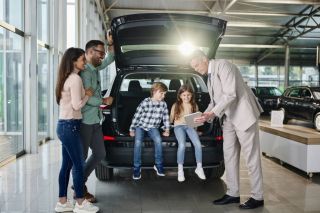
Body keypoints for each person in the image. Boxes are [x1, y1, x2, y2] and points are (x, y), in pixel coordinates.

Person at [190, 50, 264, 209]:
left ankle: (258, 197)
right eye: (193, 67)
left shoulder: (224, 66)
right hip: (228, 118)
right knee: (229, 155)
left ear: (204, 59)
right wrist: (205, 115)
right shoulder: (209, 77)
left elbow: (230, 95)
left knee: (251, 157)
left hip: (244, 115)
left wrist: (213, 112)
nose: (196, 69)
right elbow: (214, 100)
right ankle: (233, 193)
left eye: (196, 65)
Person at [55, 47, 99, 213]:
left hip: (65, 125)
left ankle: (62, 202)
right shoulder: (75, 79)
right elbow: (76, 105)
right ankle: (80, 203)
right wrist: (87, 94)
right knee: (79, 164)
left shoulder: (67, 77)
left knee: (66, 165)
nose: (85, 62)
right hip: (70, 126)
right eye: (82, 60)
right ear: (74, 62)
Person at [79, 32, 114, 202]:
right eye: (100, 53)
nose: (102, 56)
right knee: (81, 157)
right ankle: (80, 190)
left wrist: (110, 44)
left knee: (100, 153)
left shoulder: (94, 67)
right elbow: (85, 99)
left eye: (103, 53)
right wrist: (104, 100)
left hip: (96, 121)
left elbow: (109, 60)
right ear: (90, 52)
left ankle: (79, 182)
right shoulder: (84, 72)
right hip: (85, 121)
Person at [129, 82, 170, 180]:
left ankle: (159, 165)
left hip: (153, 127)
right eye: (161, 93)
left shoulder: (163, 104)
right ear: (154, 92)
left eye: (165, 94)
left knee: (158, 141)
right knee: (138, 142)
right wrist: (132, 129)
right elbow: (137, 116)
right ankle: (136, 168)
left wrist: (167, 129)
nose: (163, 96)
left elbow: (166, 118)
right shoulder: (145, 102)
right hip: (141, 126)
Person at [170, 85, 206, 182]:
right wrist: (167, 129)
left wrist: (196, 130)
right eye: (184, 95)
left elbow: (196, 121)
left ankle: (199, 167)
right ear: (180, 96)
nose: (186, 97)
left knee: (198, 144)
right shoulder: (176, 105)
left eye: (188, 95)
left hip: (190, 127)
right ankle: (180, 169)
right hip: (178, 127)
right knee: (182, 145)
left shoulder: (194, 105)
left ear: (192, 95)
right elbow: (171, 119)